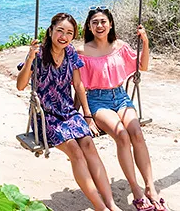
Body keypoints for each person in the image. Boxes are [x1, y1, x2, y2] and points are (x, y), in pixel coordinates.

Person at [16, 12, 120, 211]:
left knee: (88, 144)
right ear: (51, 31)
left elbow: (79, 85)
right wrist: (29, 58)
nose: (64, 36)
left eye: (69, 33)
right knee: (75, 150)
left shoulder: (71, 52)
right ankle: (101, 207)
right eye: (60, 31)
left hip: (68, 112)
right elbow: (20, 86)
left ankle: (111, 204)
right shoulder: (39, 54)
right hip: (46, 116)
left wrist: (88, 116)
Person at [78, 6, 168, 211]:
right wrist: (87, 115)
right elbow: (79, 85)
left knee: (136, 133)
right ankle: (135, 189)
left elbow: (142, 66)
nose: (99, 25)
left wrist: (145, 41)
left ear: (110, 24)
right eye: (95, 22)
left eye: (103, 21)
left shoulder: (120, 46)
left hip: (120, 97)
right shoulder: (82, 51)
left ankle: (150, 187)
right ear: (89, 27)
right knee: (122, 135)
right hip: (97, 100)